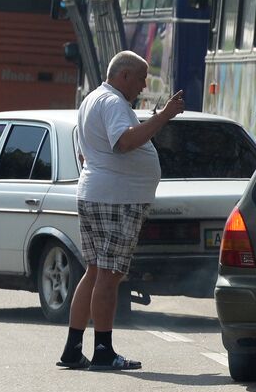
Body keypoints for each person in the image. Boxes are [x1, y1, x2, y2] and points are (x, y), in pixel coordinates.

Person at [57, 50, 184, 370]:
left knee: (96, 271)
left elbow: (91, 153)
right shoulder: (113, 103)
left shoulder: (94, 99)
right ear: (124, 75)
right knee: (110, 275)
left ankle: (73, 348)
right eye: (141, 78)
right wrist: (163, 116)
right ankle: (103, 350)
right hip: (115, 200)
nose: (143, 85)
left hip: (97, 193)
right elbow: (124, 142)